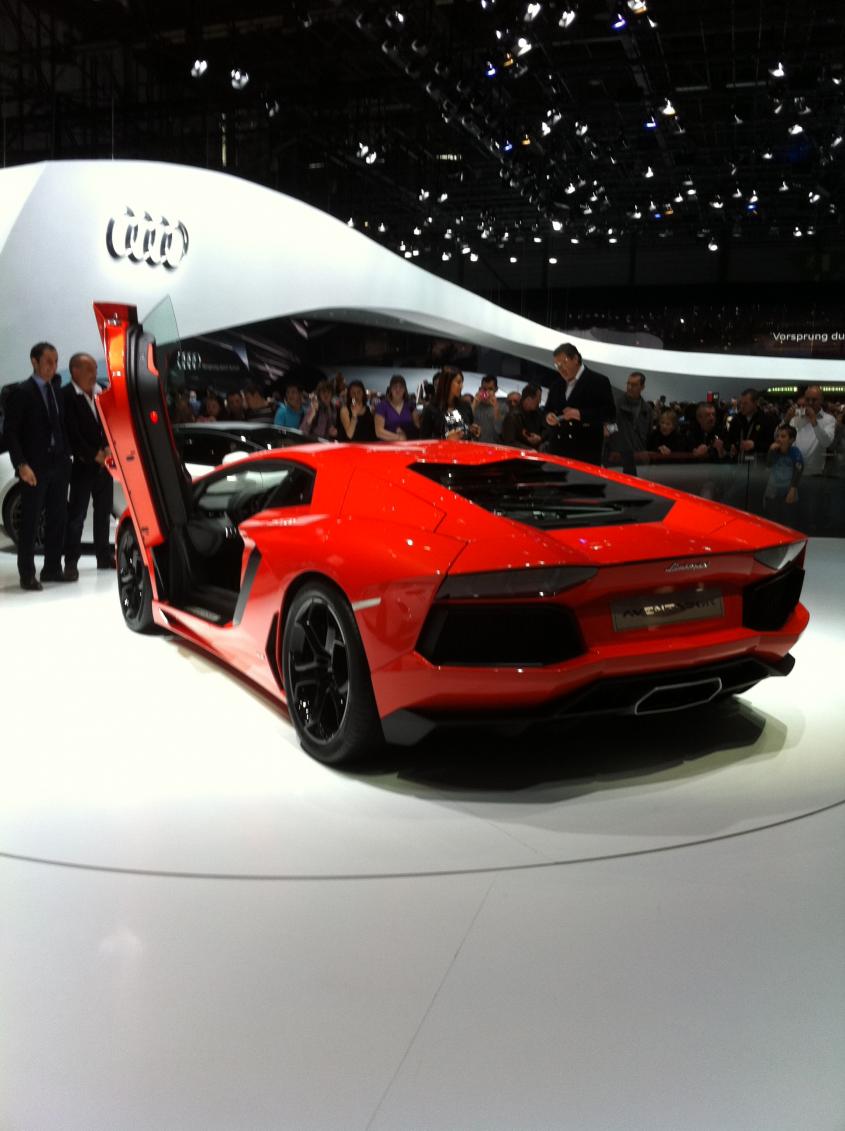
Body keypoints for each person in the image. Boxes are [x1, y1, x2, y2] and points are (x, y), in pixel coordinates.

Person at [4, 341, 71, 589]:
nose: (53, 367)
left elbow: (61, 425)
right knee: (31, 521)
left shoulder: (56, 390)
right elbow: (10, 433)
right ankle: (27, 574)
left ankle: (52, 568)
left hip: (59, 463)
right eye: (48, 362)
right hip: (34, 466)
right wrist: (21, 464)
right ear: (34, 362)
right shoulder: (22, 392)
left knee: (57, 518)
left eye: (55, 362)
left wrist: (67, 456)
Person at [61, 352, 114, 576]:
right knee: (77, 515)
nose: (94, 374)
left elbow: (108, 423)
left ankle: (104, 557)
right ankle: (71, 562)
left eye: (95, 369)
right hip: (82, 465)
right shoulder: (66, 396)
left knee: (103, 513)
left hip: (105, 464)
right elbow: (71, 433)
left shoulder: (100, 391)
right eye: (89, 369)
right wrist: (94, 454)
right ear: (75, 371)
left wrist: (108, 447)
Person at [543, 342, 616, 465]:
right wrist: (548, 417)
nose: (560, 368)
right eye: (557, 365)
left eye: (564, 362)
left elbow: (609, 413)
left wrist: (580, 414)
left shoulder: (598, 381)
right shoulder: (556, 385)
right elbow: (547, 410)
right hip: (557, 450)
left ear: (576, 359)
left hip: (585, 452)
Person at [607, 370, 652, 474]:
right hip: (618, 458)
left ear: (642, 387)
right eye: (628, 384)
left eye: (634, 385)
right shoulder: (616, 405)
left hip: (638, 458)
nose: (629, 387)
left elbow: (648, 433)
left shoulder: (647, 409)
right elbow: (609, 428)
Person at [419, 367, 480, 440]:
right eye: (458, 382)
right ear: (447, 383)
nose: (462, 386)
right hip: (442, 447)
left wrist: (472, 431)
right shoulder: (431, 409)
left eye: (462, 382)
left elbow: (464, 432)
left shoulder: (465, 406)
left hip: (463, 447)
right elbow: (424, 439)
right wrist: (445, 439)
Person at [764, 424, 803, 526]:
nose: (779, 439)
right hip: (773, 492)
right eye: (778, 436)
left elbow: (798, 470)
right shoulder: (774, 451)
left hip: (789, 491)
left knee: (788, 520)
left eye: (783, 436)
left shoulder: (795, 452)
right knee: (772, 520)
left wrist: (793, 489)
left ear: (791, 440)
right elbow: (768, 464)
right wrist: (770, 451)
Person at [727, 388, 775, 461]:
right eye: (741, 403)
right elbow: (729, 439)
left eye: (745, 403)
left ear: (755, 403)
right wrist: (732, 446)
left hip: (758, 462)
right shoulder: (736, 419)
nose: (742, 406)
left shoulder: (766, 420)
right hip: (738, 461)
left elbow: (771, 444)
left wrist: (754, 445)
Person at [374, 374, 419, 441]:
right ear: (390, 389)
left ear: (404, 389)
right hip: (388, 444)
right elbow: (379, 432)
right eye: (395, 387)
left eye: (401, 387)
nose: (398, 389)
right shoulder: (382, 406)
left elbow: (417, 427)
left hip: (408, 444)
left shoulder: (411, 406)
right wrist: (399, 437)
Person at [501, 383, 545, 449]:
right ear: (529, 399)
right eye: (538, 399)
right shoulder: (512, 417)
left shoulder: (537, 413)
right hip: (520, 453)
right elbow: (509, 442)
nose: (539, 401)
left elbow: (545, 429)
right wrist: (529, 450)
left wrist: (540, 438)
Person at [472, 374, 505, 444]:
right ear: (480, 389)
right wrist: (474, 405)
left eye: (490, 389)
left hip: (493, 446)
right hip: (475, 445)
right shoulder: (475, 405)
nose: (487, 392)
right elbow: (466, 425)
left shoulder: (503, 407)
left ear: (496, 389)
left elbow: (499, 431)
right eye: (484, 389)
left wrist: (496, 409)